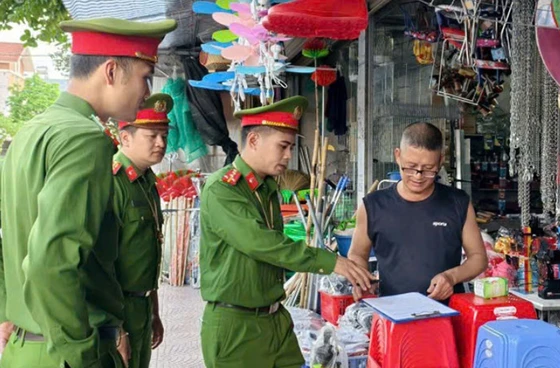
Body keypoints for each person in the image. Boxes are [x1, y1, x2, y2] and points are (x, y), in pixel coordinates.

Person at [0, 18, 176, 368]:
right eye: (145, 76)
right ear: (111, 71)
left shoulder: (32, 131)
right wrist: (83, 355)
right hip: (67, 352)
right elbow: (51, 263)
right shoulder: (84, 138)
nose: (146, 91)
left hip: (27, 346)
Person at [199, 96, 374, 368]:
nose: (289, 155)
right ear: (254, 140)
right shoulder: (223, 190)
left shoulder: (267, 189)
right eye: (283, 146)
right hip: (236, 326)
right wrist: (331, 261)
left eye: (291, 147)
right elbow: (263, 244)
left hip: (275, 320)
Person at [349, 122, 488, 302]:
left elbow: (478, 258)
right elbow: (357, 254)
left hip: (446, 315)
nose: (418, 176)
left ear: (440, 161)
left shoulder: (458, 203)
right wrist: (362, 280)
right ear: (397, 156)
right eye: (410, 166)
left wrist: (451, 277)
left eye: (429, 169)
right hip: (392, 314)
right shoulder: (373, 206)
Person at [112, 94, 173, 367]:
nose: (161, 143)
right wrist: (113, 328)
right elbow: (102, 262)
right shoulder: (113, 182)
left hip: (141, 307)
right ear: (125, 138)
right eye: (152, 136)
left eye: (164, 135)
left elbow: (147, 253)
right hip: (117, 310)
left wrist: (154, 311)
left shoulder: (147, 181)